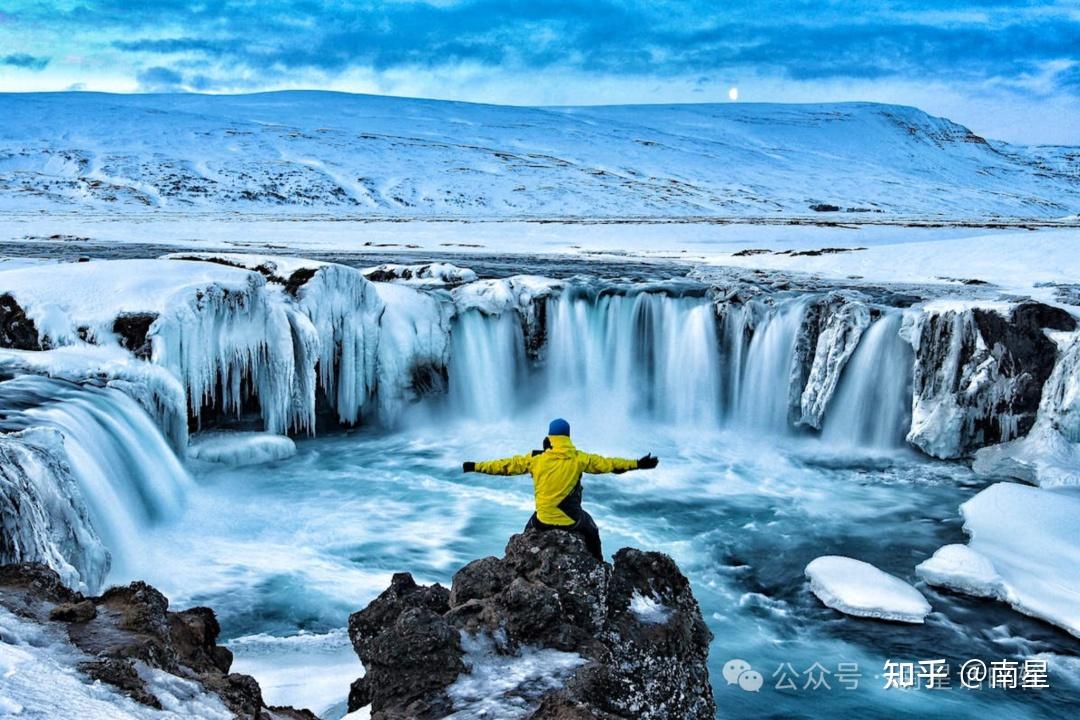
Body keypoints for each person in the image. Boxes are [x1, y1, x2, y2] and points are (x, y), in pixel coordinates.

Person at [463, 418, 659, 561]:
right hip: (571, 521)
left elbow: (504, 466)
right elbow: (610, 464)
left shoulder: (535, 460)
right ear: (567, 437)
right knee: (591, 528)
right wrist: (637, 464)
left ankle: (521, 553)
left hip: (543, 521)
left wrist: (475, 466)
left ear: (549, 437)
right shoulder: (579, 458)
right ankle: (599, 562)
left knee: (531, 523)